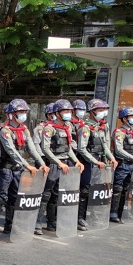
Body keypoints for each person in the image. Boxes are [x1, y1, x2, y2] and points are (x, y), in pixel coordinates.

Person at [0, 99, 48, 240]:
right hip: (5, 168)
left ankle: (9, 225)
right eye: (20, 112)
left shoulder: (24, 130)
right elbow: (11, 151)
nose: (23, 115)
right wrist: (27, 165)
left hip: (17, 169)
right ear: (11, 114)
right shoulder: (5, 130)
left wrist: (41, 163)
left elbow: (32, 148)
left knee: (14, 198)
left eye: (24, 112)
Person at [36, 99, 84, 234]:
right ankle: (38, 223)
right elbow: (45, 149)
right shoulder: (49, 128)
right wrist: (59, 163)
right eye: (65, 111)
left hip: (65, 164)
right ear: (57, 113)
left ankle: (52, 222)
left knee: (57, 195)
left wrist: (76, 161)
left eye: (70, 111)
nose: (68, 113)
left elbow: (68, 148)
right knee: (46, 194)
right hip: (54, 164)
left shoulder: (67, 127)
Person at [76, 99, 117, 230]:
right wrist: (95, 161)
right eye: (100, 110)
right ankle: (79, 218)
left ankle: (91, 214)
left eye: (104, 110)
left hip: (99, 162)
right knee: (85, 190)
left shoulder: (101, 127)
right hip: (89, 163)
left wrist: (112, 158)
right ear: (92, 111)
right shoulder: (86, 128)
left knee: (96, 190)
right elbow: (81, 149)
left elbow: (105, 144)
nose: (103, 113)